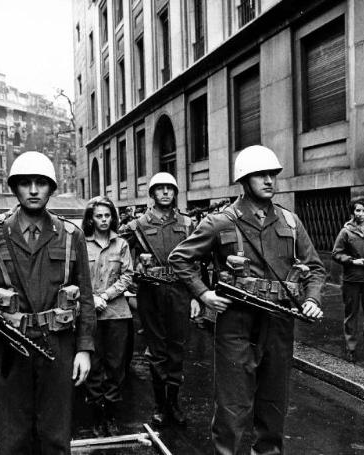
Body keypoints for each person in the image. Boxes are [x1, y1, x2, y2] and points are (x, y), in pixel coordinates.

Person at [169, 145, 325, 455]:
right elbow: (180, 258)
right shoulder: (221, 221)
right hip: (237, 324)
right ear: (244, 179)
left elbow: (316, 268)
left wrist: (313, 299)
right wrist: (204, 293)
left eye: (272, 175)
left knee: (273, 406)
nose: (269, 180)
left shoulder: (290, 221)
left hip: (279, 322)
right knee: (232, 408)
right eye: (261, 175)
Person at [0, 151, 95, 454]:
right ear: (15, 188)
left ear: (51, 188)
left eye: (41, 183)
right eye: (25, 183)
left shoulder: (71, 236)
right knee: (13, 436)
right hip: (9, 344)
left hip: (57, 343)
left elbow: (85, 295)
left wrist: (84, 349)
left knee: (55, 435)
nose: (33, 190)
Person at [120, 172, 197, 425]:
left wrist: (197, 296)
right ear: (152, 194)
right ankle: (160, 406)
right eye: (160, 189)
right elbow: (118, 253)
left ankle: (174, 403)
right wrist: (132, 276)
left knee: (177, 348)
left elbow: (197, 262)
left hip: (179, 292)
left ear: (175, 193)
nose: (165, 193)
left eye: (170, 189)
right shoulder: (136, 225)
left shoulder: (187, 224)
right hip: (150, 294)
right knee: (157, 350)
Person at [82, 196, 133, 437]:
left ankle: (111, 416)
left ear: (113, 217)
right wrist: (92, 298)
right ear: (91, 219)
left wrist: (106, 296)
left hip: (116, 314)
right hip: (90, 313)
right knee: (94, 365)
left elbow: (127, 276)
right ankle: (95, 416)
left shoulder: (121, 244)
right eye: (99, 216)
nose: (103, 220)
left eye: (107, 215)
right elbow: (77, 276)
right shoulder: (82, 243)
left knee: (115, 366)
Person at [332, 195, 364, 363]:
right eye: (357, 210)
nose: (360, 214)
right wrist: (352, 261)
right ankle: (351, 350)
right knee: (351, 316)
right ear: (353, 211)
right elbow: (336, 253)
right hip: (352, 280)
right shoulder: (346, 231)